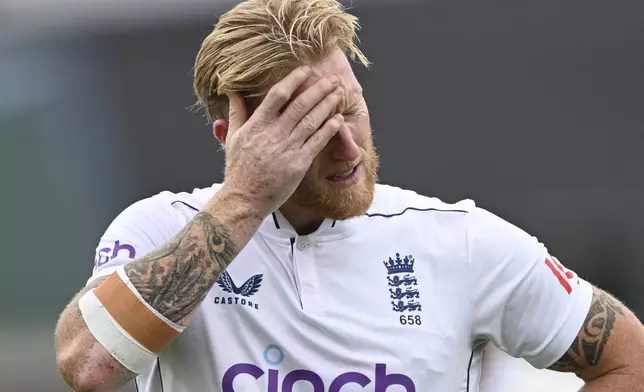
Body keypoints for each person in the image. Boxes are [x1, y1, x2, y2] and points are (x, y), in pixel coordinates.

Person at [54, 0, 644, 391]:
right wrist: (244, 198)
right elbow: (88, 366)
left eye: (350, 110)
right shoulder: (163, 227)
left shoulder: (460, 240)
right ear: (234, 138)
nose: (348, 149)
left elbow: (628, 361)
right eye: (307, 129)